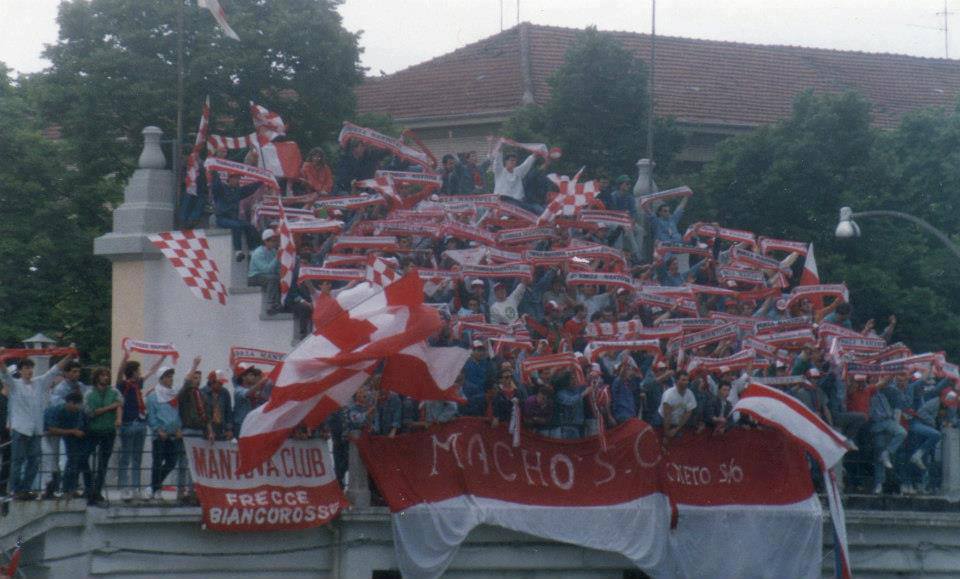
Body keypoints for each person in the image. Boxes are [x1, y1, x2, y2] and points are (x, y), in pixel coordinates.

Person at [0, 350, 73, 501]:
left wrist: (68, 356)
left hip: (36, 429)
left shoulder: (39, 383)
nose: (29, 371)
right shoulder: (15, 385)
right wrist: (1, 360)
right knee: (17, 461)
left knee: (34, 461)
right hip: (20, 428)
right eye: (26, 368)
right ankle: (16, 490)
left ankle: (25, 489)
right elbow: (5, 374)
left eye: (31, 368)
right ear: (20, 371)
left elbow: (54, 371)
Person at [116, 353, 166, 502]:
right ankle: (124, 489)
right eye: (138, 370)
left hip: (140, 422)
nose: (140, 372)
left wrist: (162, 357)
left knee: (137, 458)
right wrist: (125, 357)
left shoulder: (138, 383)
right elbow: (119, 372)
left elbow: (151, 371)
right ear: (132, 372)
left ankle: (135, 488)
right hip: (128, 423)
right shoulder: (123, 385)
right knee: (126, 457)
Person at [146, 363, 190, 500]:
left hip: (173, 435)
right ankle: (155, 489)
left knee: (171, 462)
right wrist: (157, 429)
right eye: (168, 376)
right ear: (161, 378)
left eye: (171, 376)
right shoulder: (153, 396)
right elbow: (151, 416)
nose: (171, 379)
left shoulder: (174, 395)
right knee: (157, 462)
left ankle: (153, 486)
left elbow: (177, 414)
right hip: (160, 435)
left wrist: (179, 428)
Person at [85, 367, 121, 507]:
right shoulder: (89, 393)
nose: (105, 377)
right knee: (84, 457)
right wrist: (110, 407)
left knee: (103, 462)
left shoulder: (114, 392)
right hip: (93, 430)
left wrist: (117, 418)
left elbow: (119, 404)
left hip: (108, 430)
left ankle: (97, 489)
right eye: (102, 375)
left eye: (107, 375)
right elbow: (91, 412)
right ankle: (89, 486)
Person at [43, 392, 89, 499]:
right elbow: (51, 429)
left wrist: (73, 431)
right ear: (70, 403)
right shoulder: (55, 410)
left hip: (66, 434)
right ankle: (50, 490)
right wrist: (72, 431)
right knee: (51, 461)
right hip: (47, 436)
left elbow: (78, 427)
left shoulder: (77, 412)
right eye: (77, 405)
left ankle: (69, 489)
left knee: (73, 459)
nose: (78, 408)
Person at [210, 171, 262, 262]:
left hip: (233, 219)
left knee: (249, 226)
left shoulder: (237, 191)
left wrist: (261, 181)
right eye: (236, 178)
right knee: (236, 226)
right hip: (221, 218)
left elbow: (248, 189)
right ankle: (238, 251)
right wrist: (215, 173)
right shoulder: (221, 189)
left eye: (238, 179)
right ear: (229, 178)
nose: (237, 181)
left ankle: (251, 251)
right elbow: (216, 185)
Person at [248, 228, 282, 313]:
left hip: (267, 275)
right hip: (255, 276)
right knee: (272, 279)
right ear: (266, 241)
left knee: (280, 279)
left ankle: (280, 303)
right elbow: (266, 269)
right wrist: (277, 257)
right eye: (273, 241)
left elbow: (276, 268)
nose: (275, 243)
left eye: (275, 240)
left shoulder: (273, 251)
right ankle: (270, 304)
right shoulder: (258, 253)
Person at [659, 371, 697, 441]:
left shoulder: (690, 394)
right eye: (683, 380)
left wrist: (676, 429)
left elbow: (688, 413)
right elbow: (667, 416)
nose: (686, 382)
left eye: (687, 380)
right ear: (677, 381)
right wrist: (666, 433)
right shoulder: (669, 395)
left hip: (677, 422)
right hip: (662, 422)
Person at [202, 370, 234, 441]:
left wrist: (229, 429)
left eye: (222, 383)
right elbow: (204, 414)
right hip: (207, 430)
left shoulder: (225, 392)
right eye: (219, 383)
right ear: (212, 382)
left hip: (222, 429)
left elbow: (228, 412)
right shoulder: (203, 393)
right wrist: (209, 430)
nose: (221, 385)